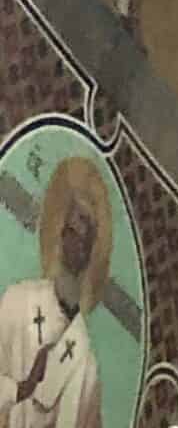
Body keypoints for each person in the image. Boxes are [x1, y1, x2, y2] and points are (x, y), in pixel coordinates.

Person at [0, 157, 111, 428]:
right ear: (60, 231)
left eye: (86, 236)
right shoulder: (18, 302)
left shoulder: (87, 368)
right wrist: (23, 388)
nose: (78, 241)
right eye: (73, 229)